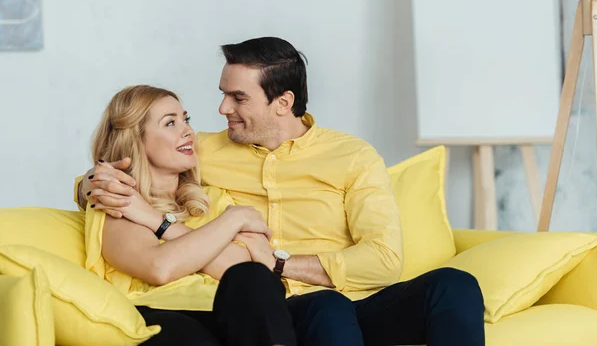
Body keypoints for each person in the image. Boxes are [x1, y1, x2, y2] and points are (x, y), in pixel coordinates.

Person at [76, 37, 485, 346]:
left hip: (351, 302)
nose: (222, 109)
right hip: (278, 308)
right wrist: (92, 182)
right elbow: (137, 158)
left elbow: (384, 261)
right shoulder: (200, 149)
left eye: (237, 97)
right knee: (326, 307)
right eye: (222, 94)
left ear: (282, 102)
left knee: (454, 285)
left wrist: (277, 264)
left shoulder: (352, 156)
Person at [82, 84, 349, 346]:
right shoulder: (118, 201)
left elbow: (245, 270)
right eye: (170, 123)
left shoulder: (213, 199)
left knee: (263, 284)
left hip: (230, 314)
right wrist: (231, 222)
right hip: (162, 312)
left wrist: (158, 223)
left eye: (186, 120)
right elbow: (160, 268)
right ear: (135, 139)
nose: (188, 131)